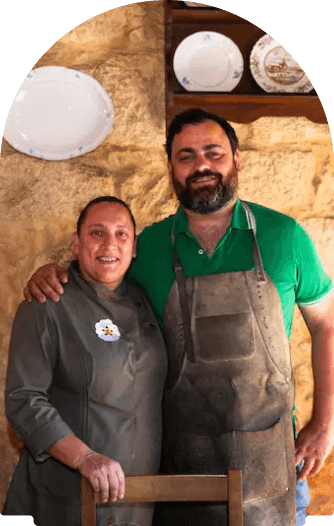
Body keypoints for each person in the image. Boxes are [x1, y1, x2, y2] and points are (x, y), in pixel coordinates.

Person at [22, 109, 333, 526]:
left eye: (213, 152)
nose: (200, 165)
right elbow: (97, 281)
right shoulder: (147, 246)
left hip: (273, 463)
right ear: (170, 168)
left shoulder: (284, 236)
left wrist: (324, 424)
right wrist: (56, 271)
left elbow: (327, 324)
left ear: (237, 159)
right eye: (186, 156)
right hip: (181, 469)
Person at [3, 196, 167, 526]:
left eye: (122, 234)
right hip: (68, 499)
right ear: (76, 243)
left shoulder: (143, 300)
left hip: (138, 499)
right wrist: (85, 458)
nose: (110, 244)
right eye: (96, 233)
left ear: (134, 248)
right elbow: (23, 401)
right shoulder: (47, 303)